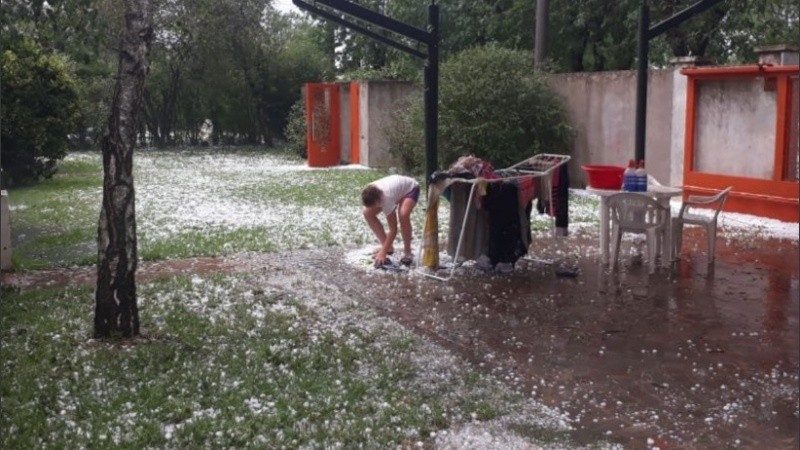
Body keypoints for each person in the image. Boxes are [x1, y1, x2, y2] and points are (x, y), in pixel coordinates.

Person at [361, 174, 420, 266]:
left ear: (379, 200)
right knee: (367, 213)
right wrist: (384, 250)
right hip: (395, 190)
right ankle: (388, 248)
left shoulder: (386, 199)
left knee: (403, 215)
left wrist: (382, 253)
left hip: (411, 188)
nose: (375, 208)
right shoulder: (369, 190)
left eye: (375, 205)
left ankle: (407, 252)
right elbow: (370, 205)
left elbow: (393, 229)